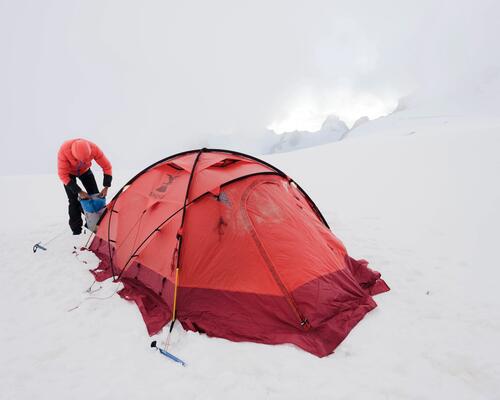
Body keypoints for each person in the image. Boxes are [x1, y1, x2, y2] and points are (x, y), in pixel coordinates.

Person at [57, 138, 112, 234]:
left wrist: (106, 186)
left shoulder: (94, 149)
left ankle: (95, 225)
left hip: (85, 171)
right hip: (69, 174)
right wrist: (79, 191)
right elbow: (63, 175)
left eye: (86, 159)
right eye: (81, 160)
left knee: (95, 196)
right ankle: (76, 230)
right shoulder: (64, 151)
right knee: (73, 200)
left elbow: (107, 167)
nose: (83, 161)